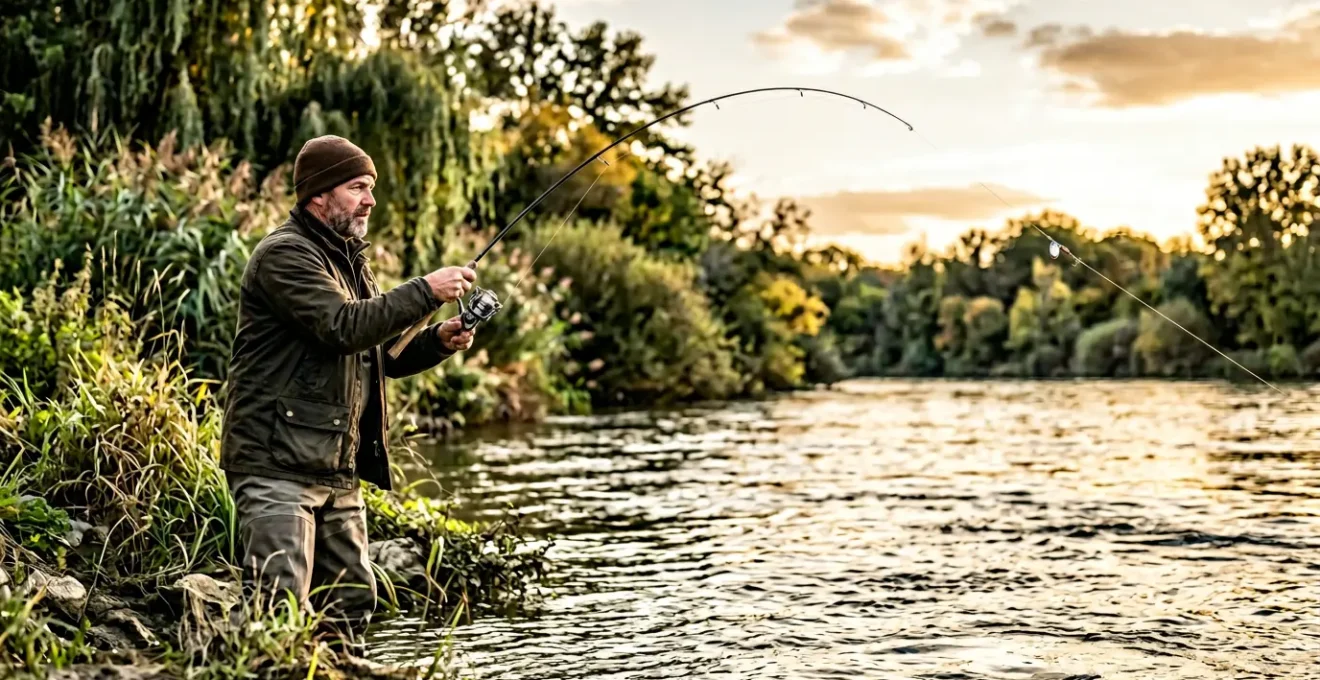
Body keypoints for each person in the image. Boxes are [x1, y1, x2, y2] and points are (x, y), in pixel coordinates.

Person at [219, 134, 475, 640]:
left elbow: (377, 356)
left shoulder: (349, 261)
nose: (370, 200)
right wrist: (426, 289)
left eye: (371, 188)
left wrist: (438, 341)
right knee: (277, 607)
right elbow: (343, 326)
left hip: (335, 465)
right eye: (358, 187)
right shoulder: (284, 255)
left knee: (352, 602)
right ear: (318, 193)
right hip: (276, 464)